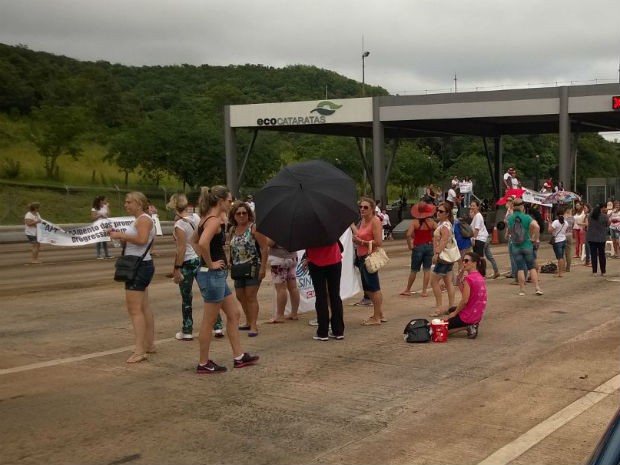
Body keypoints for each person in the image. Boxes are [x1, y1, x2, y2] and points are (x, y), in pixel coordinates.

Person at [194, 185, 259, 374]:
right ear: (220, 201)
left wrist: (206, 261)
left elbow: (193, 240)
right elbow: (202, 243)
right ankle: (203, 362)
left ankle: (239, 356)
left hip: (213, 274)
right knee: (209, 321)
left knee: (234, 314)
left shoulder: (206, 219)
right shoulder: (213, 221)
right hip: (212, 274)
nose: (231, 203)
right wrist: (211, 263)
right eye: (229, 200)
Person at [167, 193, 224, 341]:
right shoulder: (197, 218)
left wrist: (177, 268)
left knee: (187, 297)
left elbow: (181, 249)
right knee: (209, 295)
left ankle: (187, 329)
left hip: (187, 262)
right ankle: (217, 326)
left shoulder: (179, 225)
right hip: (198, 260)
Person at [108, 192, 156, 364]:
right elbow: (142, 241)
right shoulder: (143, 219)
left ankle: (140, 350)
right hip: (143, 264)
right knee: (143, 307)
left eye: (129, 202)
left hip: (138, 266)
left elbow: (142, 239)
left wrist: (121, 235)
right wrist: (122, 238)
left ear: (139, 203)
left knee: (135, 310)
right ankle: (148, 344)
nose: (126, 205)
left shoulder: (143, 219)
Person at [228, 201, 268, 337]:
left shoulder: (254, 228)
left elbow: (264, 248)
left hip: (253, 266)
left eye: (244, 213)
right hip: (238, 267)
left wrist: (263, 267)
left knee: (251, 295)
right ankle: (248, 320)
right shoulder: (232, 230)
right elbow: (231, 246)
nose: (241, 215)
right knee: (240, 296)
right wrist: (230, 260)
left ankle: (254, 325)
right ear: (233, 216)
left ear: (248, 214)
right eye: (238, 213)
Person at [352, 197, 385, 326]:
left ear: (372, 209)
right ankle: (379, 314)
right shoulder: (363, 221)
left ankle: (376, 317)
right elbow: (361, 234)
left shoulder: (375, 221)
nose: (362, 209)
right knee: (368, 288)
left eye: (365, 207)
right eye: (361, 207)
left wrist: (362, 242)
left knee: (373, 287)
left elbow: (379, 242)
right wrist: (353, 227)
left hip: (369, 257)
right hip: (361, 257)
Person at [442, 251, 487, 339]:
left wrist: (455, 313)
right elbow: (465, 292)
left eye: (466, 261)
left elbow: (465, 300)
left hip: (468, 316)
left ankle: (468, 326)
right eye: (463, 261)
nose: (463, 263)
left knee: (443, 328)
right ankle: (473, 324)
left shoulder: (469, 279)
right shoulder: (479, 276)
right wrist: (461, 272)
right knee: (451, 309)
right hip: (476, 313)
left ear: (474, 263)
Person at [305, 241, 345, 340]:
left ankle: (322, 332)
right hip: (334, 258)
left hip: (315, 260)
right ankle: (338, 330)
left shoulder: (306, 229)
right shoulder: (330, 226)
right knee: (335, 295)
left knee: (321, 296)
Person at [507, 198, 543, 296]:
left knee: (520, 268)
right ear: (522, 207)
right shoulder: (527, 217)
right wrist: (534, 238)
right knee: (531, 267)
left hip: (515, 246)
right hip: (527, 245)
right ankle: (537, 287)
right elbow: (537, 227)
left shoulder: (510, 218)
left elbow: (509, 231)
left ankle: (522, 290)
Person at [400, 200, 437, 297]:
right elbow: (438, 232)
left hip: (418, 247)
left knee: (414, 270)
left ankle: (408, 289)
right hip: (429, 246)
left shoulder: (415, 222)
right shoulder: (431, 222)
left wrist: (410, 245)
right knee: (427, 269)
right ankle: (424, 291)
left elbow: (408, 234)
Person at [429, 202, 456, 316]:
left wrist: (436, 253)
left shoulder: (444, 225)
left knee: (434, 281)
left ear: (447, 213)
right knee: (448, 282)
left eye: (441, 211)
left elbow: (444, 240)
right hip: (449, 257)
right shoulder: (446, 223)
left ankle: (439, 308)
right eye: (438, 210)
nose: (438, 213)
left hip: (443, 257)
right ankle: (450, 306)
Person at [266, 240, 300, 323]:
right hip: (293, 257)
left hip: (279, 258)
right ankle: (294, 313)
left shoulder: (276, 227)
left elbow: (270, 242)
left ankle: (280, 315)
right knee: (293, 287)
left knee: (281, 289)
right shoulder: (293, 226)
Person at [586, 203, 610, 277]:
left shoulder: (590, 215)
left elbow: (589, 224)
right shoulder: (605, 216)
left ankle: (594, 272)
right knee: (602, 255)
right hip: (601, 238)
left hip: (591, 238)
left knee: (593, 255)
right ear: (602, 208)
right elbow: (607, 224)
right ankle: (603, 271)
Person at [548, 206, 571, 278]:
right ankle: (561, 271)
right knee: (561, 256)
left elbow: (550, 231)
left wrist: (549, 223)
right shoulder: (566, 223)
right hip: (563, 239)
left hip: (557, 241)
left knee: (559, 257)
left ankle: (560, 273)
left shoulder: (555, 222)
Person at [91, 196, 113, 260]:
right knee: (99, 240)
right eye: (105, 200)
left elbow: (109, 215)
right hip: (98, 226)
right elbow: (92, 218)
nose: (106, 201)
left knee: (105, 240)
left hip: (105, 225)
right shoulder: (94, 208)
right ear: (101, 201)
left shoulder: (105, 207)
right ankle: (99, 255)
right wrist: (100, 215)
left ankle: (106, 254)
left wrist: (108, 207)